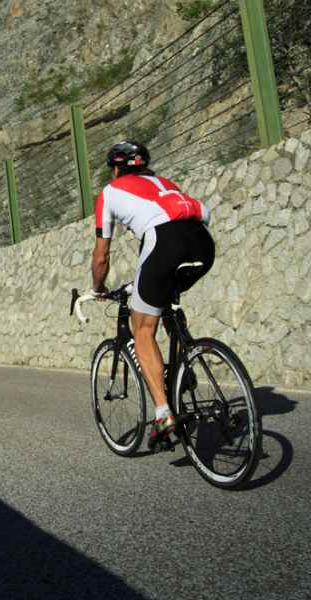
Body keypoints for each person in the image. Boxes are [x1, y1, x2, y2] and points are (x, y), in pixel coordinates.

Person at [90, 140, 214, 447]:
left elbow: (101, 256)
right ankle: (184, 358)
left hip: (163, 241)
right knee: (166, 298)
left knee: (143, 329)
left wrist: (98, 287)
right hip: (202, 241)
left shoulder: (109, 193)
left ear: (116, 168)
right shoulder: (164, 183)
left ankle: (163, 414)